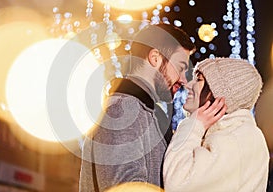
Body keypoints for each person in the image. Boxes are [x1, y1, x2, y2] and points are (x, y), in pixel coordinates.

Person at [79, 23, 225, 192]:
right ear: (155, 58)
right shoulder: (122, 110)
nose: (184, 81)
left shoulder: (145, 111)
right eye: (180, 68)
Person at [163, 57, 270, 192]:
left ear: (219, 92)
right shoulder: (232, 133)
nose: (188, 85)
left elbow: (178, 184)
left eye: (199, 79)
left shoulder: (233, 139)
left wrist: (193, 126)